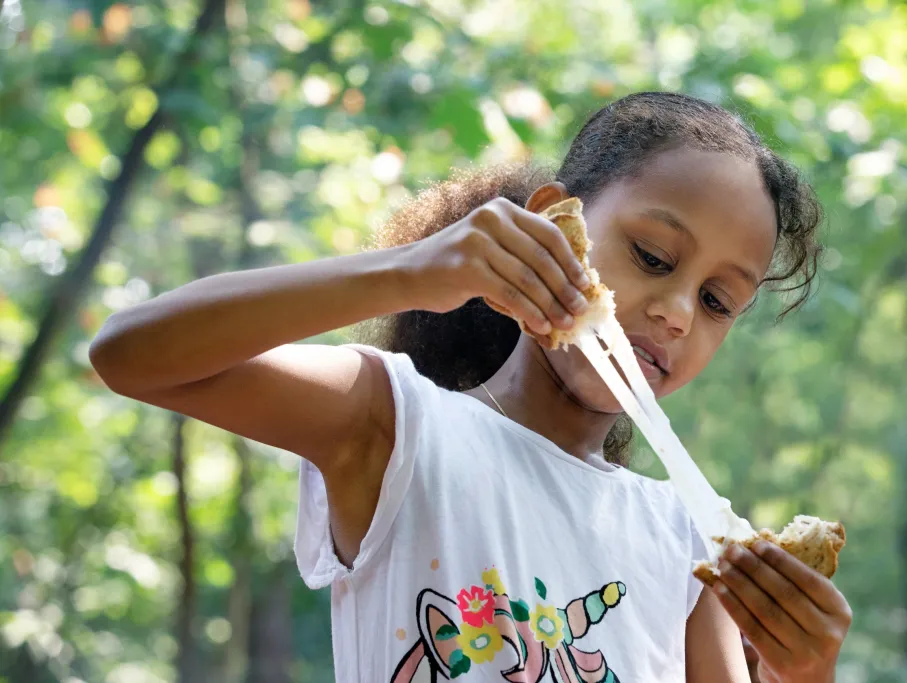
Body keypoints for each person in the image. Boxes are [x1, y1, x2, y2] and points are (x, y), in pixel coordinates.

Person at [90, 91, 853, 682]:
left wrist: (801, 670)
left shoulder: (687, 541)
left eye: (719, 301)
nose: (678, 312)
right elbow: (131, 352)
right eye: (653, 256)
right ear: (556, 223)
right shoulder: (400, 428)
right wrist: (414, 272)